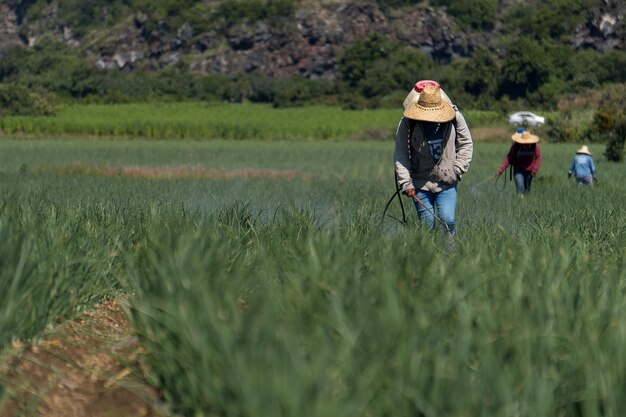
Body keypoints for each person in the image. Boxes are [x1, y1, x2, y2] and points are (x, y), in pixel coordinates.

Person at [394, 83, 473, 236]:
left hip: (447, 180)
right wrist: (405, 182)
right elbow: (401, 153)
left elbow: (466, 144)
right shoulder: (407, 122)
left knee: (447, 220)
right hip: (420, 181)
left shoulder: (455, 117)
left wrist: (457, 170)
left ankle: (450, 255)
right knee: (427, 225)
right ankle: (429, 256)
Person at [496, 128, 541, 195]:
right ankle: (520, 200)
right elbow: (509, 158)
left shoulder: (535, 146)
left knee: (527, 190)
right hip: (518, 170)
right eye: (524, 143)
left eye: (527, 143)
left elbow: (538, 158)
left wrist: (535, 170)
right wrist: (501, 170)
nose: (526, 145)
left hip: (530, 171)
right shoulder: (516, 146)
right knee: (520, 187)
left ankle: (525, 203)